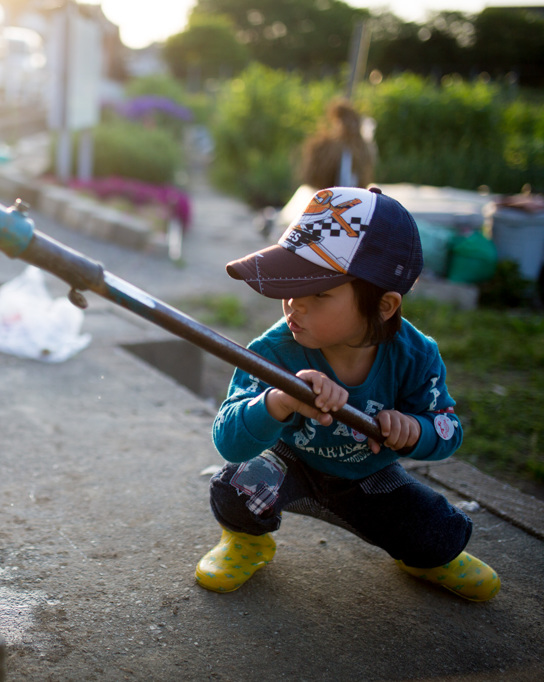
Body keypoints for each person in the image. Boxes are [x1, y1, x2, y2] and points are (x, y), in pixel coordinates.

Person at [196, 186, 500, 602]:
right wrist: (279, 401)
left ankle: (422, 558)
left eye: (319, 294)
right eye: (291, 284)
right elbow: (228, 439)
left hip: (370, 476)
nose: (294, 306)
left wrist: (415, 430)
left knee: (439, 533)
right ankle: (250, 542)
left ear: (385, 305)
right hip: (291, 465)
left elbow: (448, 430)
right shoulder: (272, 351)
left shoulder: (416, 355)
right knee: (233, 487)